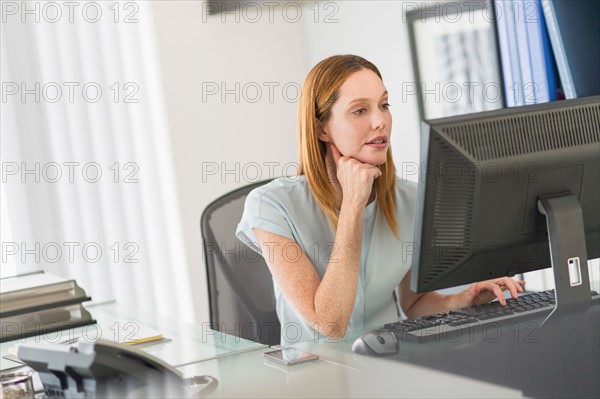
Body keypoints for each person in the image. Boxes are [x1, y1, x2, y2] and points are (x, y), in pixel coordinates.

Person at [236, 54, 525, 345]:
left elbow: (413, 304)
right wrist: (353, 204)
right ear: (322, 128)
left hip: (390, 362)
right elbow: (330, 324)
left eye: (384, 105)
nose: (380, 121)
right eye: (360, 110)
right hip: (318, 377)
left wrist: (462, 299)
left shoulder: (412, 200)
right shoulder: (271, 207)